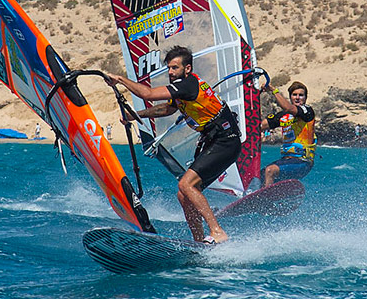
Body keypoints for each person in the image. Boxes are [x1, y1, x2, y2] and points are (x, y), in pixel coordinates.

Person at [109, 46, 238, 243]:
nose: (170, 72)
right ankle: (199, 240)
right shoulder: (183, 90)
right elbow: (166, 109)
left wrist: (120, 79)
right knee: (183, 194)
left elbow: (148, 94)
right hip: (216, 141)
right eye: (169, 68)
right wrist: (136, 115)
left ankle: (217, 231)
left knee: (186, 184)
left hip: (225, 141)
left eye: (175, 68)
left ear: (187, 69)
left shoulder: (188, 84)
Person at [261, 82, 317, 186]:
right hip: (286, 161)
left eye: (301, 95)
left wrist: (274, 90)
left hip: (302, 162)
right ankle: (256, 198)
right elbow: (260, 126)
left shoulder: (307, 111)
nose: (297, 98)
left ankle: (265, 201)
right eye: (294, 95)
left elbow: (289, 108)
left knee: (270, 171)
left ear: (305, 98)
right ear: (290, 97)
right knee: (260, 175)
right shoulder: (284, 116)